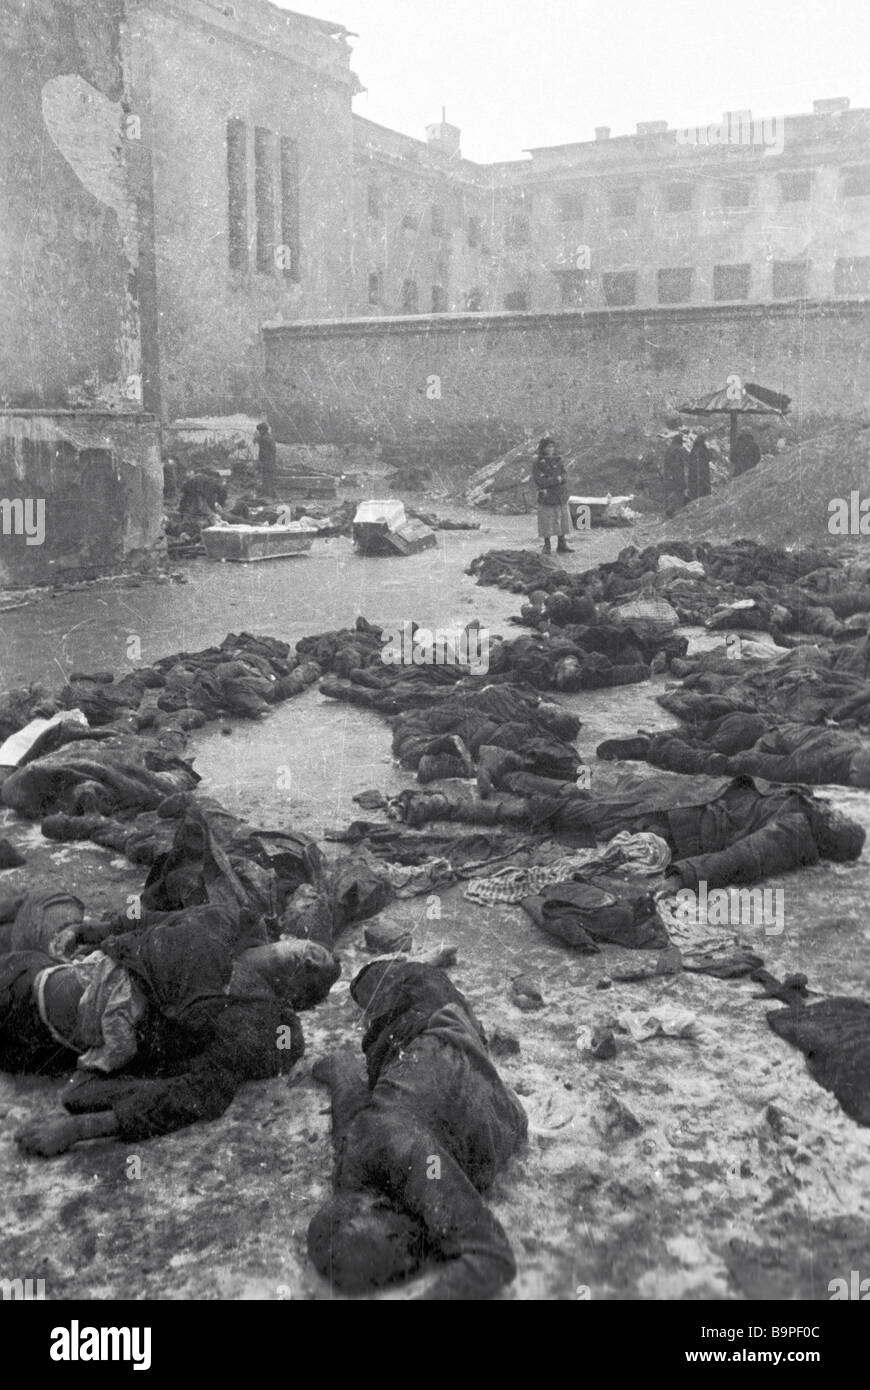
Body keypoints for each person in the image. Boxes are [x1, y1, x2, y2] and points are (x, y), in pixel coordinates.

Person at [4, 899, 340, 1155]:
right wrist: (86, 930)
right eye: (314, 953)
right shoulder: (231, 919)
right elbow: (154, 918)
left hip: (31, 1026)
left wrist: (78, 1129)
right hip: (47, 966)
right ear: (297, 939)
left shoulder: (252, 1019)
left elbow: (199, 1092)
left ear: (297, 997)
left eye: (312, 975)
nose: (307, 961)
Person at [307, 960, 528, 1300]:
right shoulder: (388, 1160)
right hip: (445, 1032)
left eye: (396, 1244)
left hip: (421, 1013)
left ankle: (381, 974)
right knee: (374, 986)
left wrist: (322, 1065)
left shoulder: (390, 1149)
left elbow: (490, 1256)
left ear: (368, 1204)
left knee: (369, 981)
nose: (409, 1249)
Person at [532, 436, 572, 555]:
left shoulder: (558, 460)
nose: (550, 449)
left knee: (562, 519)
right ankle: (547, 545)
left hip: (560, 495)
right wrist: (556, 480)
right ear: (543, 448)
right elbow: (539, 480)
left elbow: (564, 474)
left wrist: (561, 479)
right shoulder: (538, 462)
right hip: (547, 497)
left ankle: (562, 544)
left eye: (552, 446)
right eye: (548, 447)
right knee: (547, 521)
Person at [662, 431, 688, 517]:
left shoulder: (668, 449)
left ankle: (669, 509)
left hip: (668, 474)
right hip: (677, 473)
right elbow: (686, 459)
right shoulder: (679, 449)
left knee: (670, 491)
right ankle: (673, 509)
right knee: (678, 491)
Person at [686, 430, 712, 502]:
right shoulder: (702, 448)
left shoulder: (694, 449)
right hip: (702, 473)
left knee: (696, 490)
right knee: (702, 490)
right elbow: (708, 458)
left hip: (696, 474)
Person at [255, 422, 278, 496]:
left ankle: (267, 493)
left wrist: (261, 461)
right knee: (270, 478)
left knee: (266, 478)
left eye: (260, 430)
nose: (259, 432)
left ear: (263, 430)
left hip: (267, 461)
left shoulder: (264, 438)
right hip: (271, 461)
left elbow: (262, 451)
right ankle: (271, 493)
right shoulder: (270, 437)